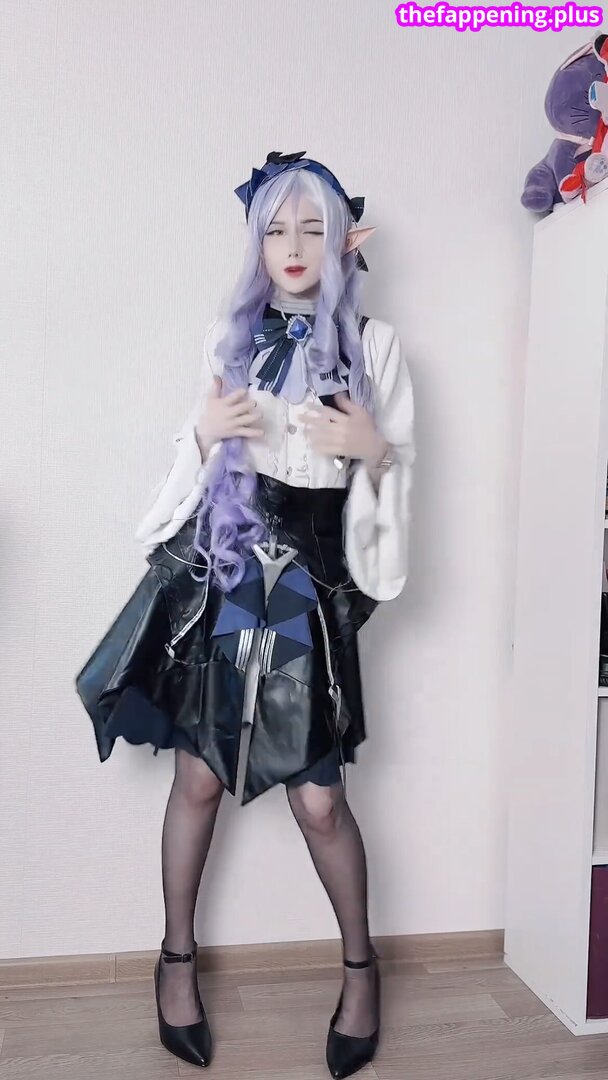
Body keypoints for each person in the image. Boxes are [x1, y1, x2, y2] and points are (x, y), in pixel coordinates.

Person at [75, 150, 416, 1078]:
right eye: (275, 228)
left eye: (313, 227)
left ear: (345, 239)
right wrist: (201, 433)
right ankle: (174, 963)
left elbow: (398, 476)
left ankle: (361, 972)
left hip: (312, 579)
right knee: (196, 780)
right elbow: (189, 470)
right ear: (255, 243)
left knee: (320, 800)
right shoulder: (227, 339)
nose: (293, 246)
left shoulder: (376, 346)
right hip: (225, 567)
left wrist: (375, 448)